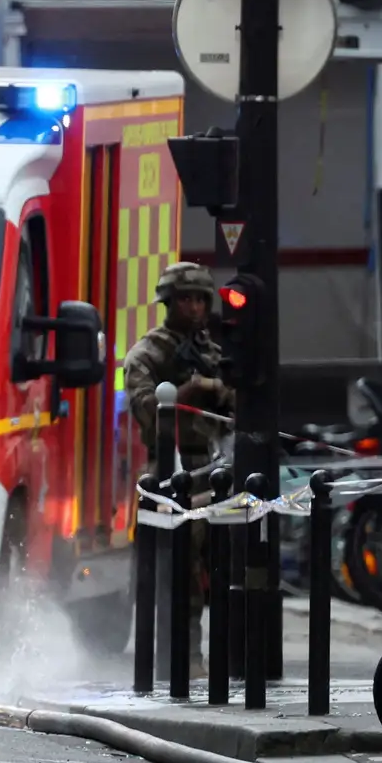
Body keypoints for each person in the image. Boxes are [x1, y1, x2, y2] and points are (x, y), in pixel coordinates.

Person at [122, 261, 235, 676]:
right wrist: (184, 393)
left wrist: (218, 390)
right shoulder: (149, 354)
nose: (192, 307)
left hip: (215, 466)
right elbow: (145, 412)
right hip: (170, 470)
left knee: (227, 569)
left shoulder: (212, 351)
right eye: (183, 299)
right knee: (179, 575)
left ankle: (228, 662)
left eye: (199, 299)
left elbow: (240, 405)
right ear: (168, 303)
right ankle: (182, 661)